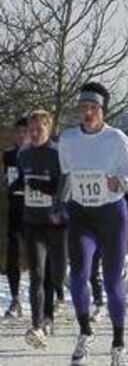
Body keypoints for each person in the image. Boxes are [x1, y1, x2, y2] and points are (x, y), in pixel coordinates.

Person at [58, 82, 128, 366]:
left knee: (112, 283)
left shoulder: (116, 139)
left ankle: (118, 343)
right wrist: (59, 206)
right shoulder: (68, 139)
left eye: (93, 108)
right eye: (83, 107)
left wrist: (122, 182)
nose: (87, 113)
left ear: (103, 111)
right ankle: (85, 333)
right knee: (78, 275)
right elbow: (66, 178)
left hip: (112, 216)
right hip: (81, 216)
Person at [19, 111, 68, 348]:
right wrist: (15, 184)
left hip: (56, 223)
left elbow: (64, 188)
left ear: (49, 129)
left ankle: (52, 308)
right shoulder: (24, 154)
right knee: (36, 274)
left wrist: (43, 186)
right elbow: (18, 180)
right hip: (32, 221)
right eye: (31, 130)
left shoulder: (58, 154)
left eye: (39, 130)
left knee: (56, 276)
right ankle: (38, 324)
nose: (34, 134)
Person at [2, 117, 29, 318]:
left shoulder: (41, 154)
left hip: (38, 212)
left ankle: (56, 295)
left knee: (41, 256)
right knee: (13, 253)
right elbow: (9, 181)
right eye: (18, 132)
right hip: (16, 209)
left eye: (25, 132)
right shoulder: (9, 155)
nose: (21, 136)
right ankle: (15, 299)